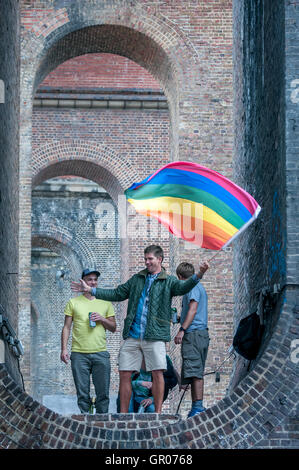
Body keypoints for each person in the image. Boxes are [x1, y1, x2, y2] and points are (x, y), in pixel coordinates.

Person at [71, 245, 209, 413]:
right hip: (133, 335)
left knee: (158, 372)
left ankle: (157, 413)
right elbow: (117, 294)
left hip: (155, 335)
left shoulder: (169, 281)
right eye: (145, 259)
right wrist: (91, 290)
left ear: (159, 259)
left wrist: (199, 274)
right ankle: (123, 415)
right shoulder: (137, 279)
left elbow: (183, 288)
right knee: (124, 372)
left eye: (150, 259)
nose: (147, 262)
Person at [61, 268, 116, 414]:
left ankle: (102, 423)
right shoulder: (73, 303)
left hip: (100, 353)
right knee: (82, 394)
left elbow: (113, 328)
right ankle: (86, 424)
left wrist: (102, 319)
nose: (93, 282)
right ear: (83, 281)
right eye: (89, 279)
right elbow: (66, 327)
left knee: (103, 394)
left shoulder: (105, 303)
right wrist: (64, 349)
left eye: (95, 280)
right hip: (79, 354)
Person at [175, 262, 210, 417]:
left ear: (181, 277)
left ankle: (197, 408)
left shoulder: (192, 287)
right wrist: (178, 318)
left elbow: (193, 309)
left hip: (194, 334)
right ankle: (196, 407)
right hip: (199, 333)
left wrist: (182, 330)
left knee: (195, 372)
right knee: (195, 370)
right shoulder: (198, 287)